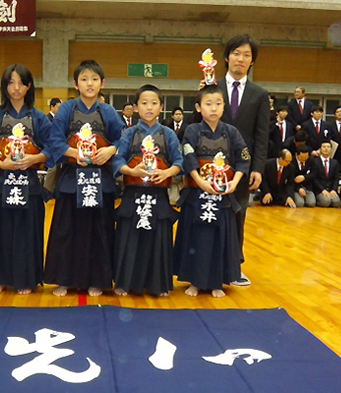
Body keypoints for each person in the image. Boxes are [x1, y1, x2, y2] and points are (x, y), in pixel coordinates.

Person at [45, 60, 124, 297]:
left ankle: (96, 280)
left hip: (100, 180)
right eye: (84, 79)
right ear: (75, 84)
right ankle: (64, 279)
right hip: (72, 178)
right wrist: (73, 153)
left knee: (99, 230)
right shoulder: (67, 110)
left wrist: (110, 151)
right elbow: (54, 140)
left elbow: (124, 140)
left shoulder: (108, 111)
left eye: (94, 79)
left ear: (103, 83)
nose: (89, 84)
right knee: (66, 230)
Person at [0, 64, 52, 295]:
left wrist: (34, 159)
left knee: (26, 232)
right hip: (1, 181)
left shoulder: (38, 117)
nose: (16, 88)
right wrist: (1, 163)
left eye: (21, 82)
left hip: (28, 183)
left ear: (29, 86)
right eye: (11, 82)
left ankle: (25, 279)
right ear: (5, 86)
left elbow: (53, 145)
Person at [173, 84, 250, 298]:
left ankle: (218, 282)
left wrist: (234, 182)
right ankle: (195, 282)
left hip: (222, 193)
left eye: (218, 104)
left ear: (224, 107)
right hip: (198, 194)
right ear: (198, 107)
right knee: (197, 238)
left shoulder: (231, 132)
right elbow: (188, 157)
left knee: (219, 238)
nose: (213, 108)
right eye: (208, 104)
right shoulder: (192, 130)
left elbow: (244, 157)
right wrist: (199, 181)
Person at [112, 84, 182, 297]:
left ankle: (158, 284)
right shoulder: (129, 134)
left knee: (158, 241)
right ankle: (125, 283)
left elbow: (179, 161)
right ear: (135, 107)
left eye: (154, 103)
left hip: (158, 195)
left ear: (161, 107)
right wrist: (131, 170)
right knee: (129, 240)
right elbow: (117, 161)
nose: (149, 107)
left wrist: (167, 172)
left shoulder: (168, 134)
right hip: (133, 195)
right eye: (144, 103)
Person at [217, 34, 270, 286]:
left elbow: (262, 135)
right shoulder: (211, 87)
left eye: (247, 55)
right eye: (236, 53)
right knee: (208, 214)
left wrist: (257, 168)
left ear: (252, 62)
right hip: (211, 164)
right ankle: (205, 264)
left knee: (238, 216)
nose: (241, 59)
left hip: (242, 167)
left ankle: (235, 266)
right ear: (227, 57)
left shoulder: (260, 95)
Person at [311, 141, 340, 207]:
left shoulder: (335, 162)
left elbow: (336, 178)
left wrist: (334, 190)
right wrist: (322, 190)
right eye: (324, 147)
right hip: (320, 190)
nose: (326, 149)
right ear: (320, 149)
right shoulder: (315, 162)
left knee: (337, 203)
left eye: (328, 147)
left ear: (331, 149)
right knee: (326, 202)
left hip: (331, 189)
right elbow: (314, 178)